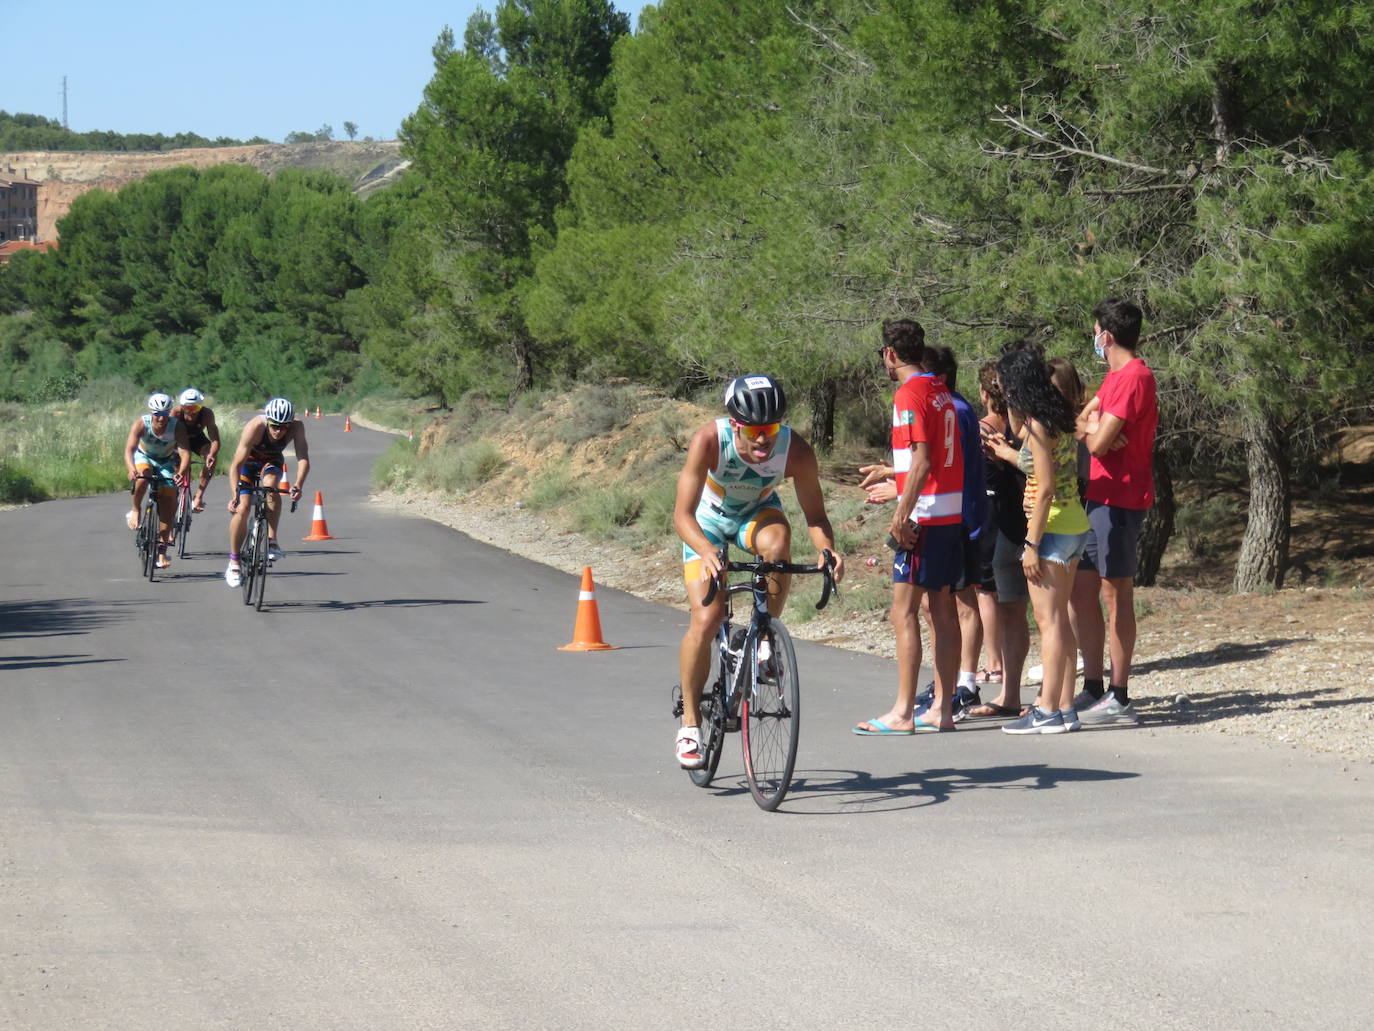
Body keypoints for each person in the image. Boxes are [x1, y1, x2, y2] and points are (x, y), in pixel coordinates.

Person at [672, 374, 845, 769]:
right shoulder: (710, 441)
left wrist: (827, 549)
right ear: (736, 425)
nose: (764, 439)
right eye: (754, 430)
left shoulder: (795, 449)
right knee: (707, 616)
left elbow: (815, 516)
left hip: (756, 514)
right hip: (707, 523)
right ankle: (690, 724)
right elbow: (682, 514)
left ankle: (763, 632)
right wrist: (706, 551)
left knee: (778, 544)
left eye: (771, 429)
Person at [853, 318, 963, 735]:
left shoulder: (908, 394)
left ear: (890, 355)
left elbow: (922, 461)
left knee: (904, 613)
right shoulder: (941, 390)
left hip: (925, 516)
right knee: (943, 611)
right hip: (949, 512)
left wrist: (901, 515)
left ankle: (902, 712)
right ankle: (943, 708)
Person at [989, 348, 1089, 734]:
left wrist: (1031, 544)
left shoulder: (1038, 424)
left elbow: (1044, 489)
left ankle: (1046, 708)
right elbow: (1018, 432)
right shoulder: (1055, 416)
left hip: (1051, 531)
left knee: (1049, 623)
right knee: (1060, 620)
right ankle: (1064, 707)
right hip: (1073, 524)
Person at [1071, 298, 1158, 725]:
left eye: (1095, 331)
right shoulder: (1112, 378)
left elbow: (1098, 443)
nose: (1094, 339)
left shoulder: (1135, 376)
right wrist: (1093, 426)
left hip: (1120, 499)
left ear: (1106, 334)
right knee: (1082, 589)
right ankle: (1092, 686)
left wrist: (1095, 431)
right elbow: (1081, 424)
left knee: (1115, 592)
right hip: (1095, 495)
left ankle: (1119, 695)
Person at [963, 357, 1032, 719]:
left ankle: (1015, 695)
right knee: (1013, 611)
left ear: (986, 395)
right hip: (1020, 523)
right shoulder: (1022, 427)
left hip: (1005, 527)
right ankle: (1011, 692)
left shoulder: (986, 431)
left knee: (1012, 610)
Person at [224, 397, 310, 588]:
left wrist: (298, 485)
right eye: (274, 425)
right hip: (248, 463)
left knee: (271, 486)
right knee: (243, 508)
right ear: (268, 421)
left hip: (271, 461)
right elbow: (235, 466)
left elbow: (303, 457)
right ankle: (234, 561)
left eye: (283, 427)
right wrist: (234, 496)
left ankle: (272, 540)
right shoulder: (255, 427)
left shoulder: (297, 427)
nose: (278, 431)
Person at [123, 392, 192, 570]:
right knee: (143, 475)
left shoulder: (177, 426)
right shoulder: (142, 424)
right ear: (151, 413)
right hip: (144, 456)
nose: (161, 419)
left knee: (169, 500)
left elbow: (185, 453)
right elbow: (129, 450)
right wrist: (131, 469)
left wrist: (181, 472)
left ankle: (161, 553)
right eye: (157, 414)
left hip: (165, 461)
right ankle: (136, 509)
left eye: (165, 415)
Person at [171, 388, 221, 512]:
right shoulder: (175, 414)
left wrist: (212, 455)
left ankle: (198, 497)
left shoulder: (207, 414)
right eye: (188, 408)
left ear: (201, 407)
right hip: (178, 441)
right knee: (180, 466)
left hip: (197, 439)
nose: (192, 412)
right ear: (182, 407)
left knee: (212, 459)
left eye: (196, 408)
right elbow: (166, 436)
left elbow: (215, 439)